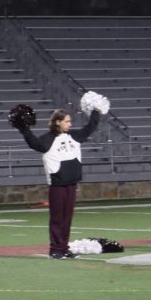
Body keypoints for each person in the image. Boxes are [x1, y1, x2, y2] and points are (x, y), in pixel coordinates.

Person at [15, 108, 102, 259]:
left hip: (71, 183)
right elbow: (33, 143)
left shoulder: (74, 136)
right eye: (67, 121)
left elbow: (90, 127)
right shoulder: (47, 139)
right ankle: (55, 249)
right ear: (57, 122)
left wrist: (95, 112)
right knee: (57, 218)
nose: (70, 124)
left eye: (70, 121)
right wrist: (24, 128)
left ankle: (64, 248)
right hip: (57, 185)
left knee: (67, 218)